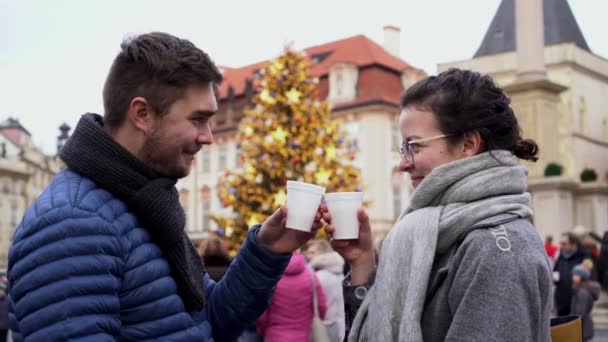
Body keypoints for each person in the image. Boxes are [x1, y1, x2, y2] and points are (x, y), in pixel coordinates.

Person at [7, 32, 325, 341]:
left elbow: (206, 323)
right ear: (142, 115)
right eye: (197, 119)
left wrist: (267, 252)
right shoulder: (73, 222)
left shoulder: (145, 202)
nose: (208, 137)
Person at [324, 68, 553, 341]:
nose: (403, 163)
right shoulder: (425, 232)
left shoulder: (497, 248)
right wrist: (362, 263)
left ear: (468, 143)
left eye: (415, 146)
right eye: (403, 148)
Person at [256, 253, 327, 341]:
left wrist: (262, 330)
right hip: (302, 335)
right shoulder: (311, 276)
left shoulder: (273, 277)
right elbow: (322, 306)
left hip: (275, 335)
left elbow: (263, 312)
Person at [308, 240, 346, 342]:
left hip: (323, 325)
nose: (309, 256)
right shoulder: (340, 274)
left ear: (322, 253)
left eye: (312, 252)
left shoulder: (318, 277)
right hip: (340, 324)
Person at [554, 232, 585, 316]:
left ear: (573, 244)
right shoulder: (561, 256)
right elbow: (555, 271)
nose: (561, 246)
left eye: (564, 244)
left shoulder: (583, 256)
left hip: (576, 301)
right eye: (560, 243)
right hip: (561, 301)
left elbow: (590, 278)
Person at [570, 263, 601, 341]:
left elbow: (580, 313)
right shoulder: (579, 289)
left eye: (576, 275)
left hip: (582, 328)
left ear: (582, 277)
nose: (573, 277)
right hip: (582, 327)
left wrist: (571, 323)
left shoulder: (582, 292)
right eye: (573, 274)